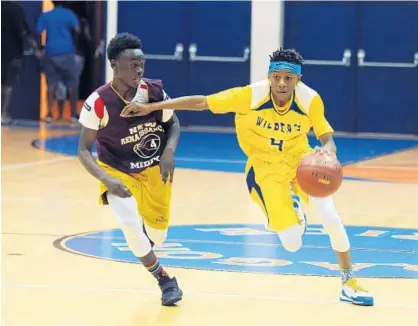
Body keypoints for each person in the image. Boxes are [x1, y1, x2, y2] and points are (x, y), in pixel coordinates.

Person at [120, 48, 374, 306]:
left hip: (302, 163)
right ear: (269, 76)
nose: (282, 83)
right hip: (265, 170)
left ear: (298, 79)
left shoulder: (310, 100)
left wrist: (326, 153)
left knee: (331, 217)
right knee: (292, 243)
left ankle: (349, 282)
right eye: (277, 77)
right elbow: (202, 102)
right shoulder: (250, 96)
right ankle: (292, 208)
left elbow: (327, 140)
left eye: (289, 77)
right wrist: (151, 106)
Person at [77, 33, 183, 306]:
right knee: (129, 224)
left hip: (154, 169)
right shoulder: (98, 102)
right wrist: (105, 179)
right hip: (117, 171)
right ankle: (165, 280)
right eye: (132, 63)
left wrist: (169, 152)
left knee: (157, 235)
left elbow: (173, 123)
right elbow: (82, 150)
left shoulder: (154, 92)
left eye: (141, 63)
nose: (139, 69)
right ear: (114, 63)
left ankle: (146, 240)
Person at [36, 1, 80, 123]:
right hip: (67, 51)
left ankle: (49, 114)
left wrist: (41, 47)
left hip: (50, 52)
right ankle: (73, 114)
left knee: (51, 84)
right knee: (72, 84)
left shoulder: (46, 15)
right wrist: (75, 46)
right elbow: (77, 30)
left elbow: (38, 32)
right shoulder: (69, 14)